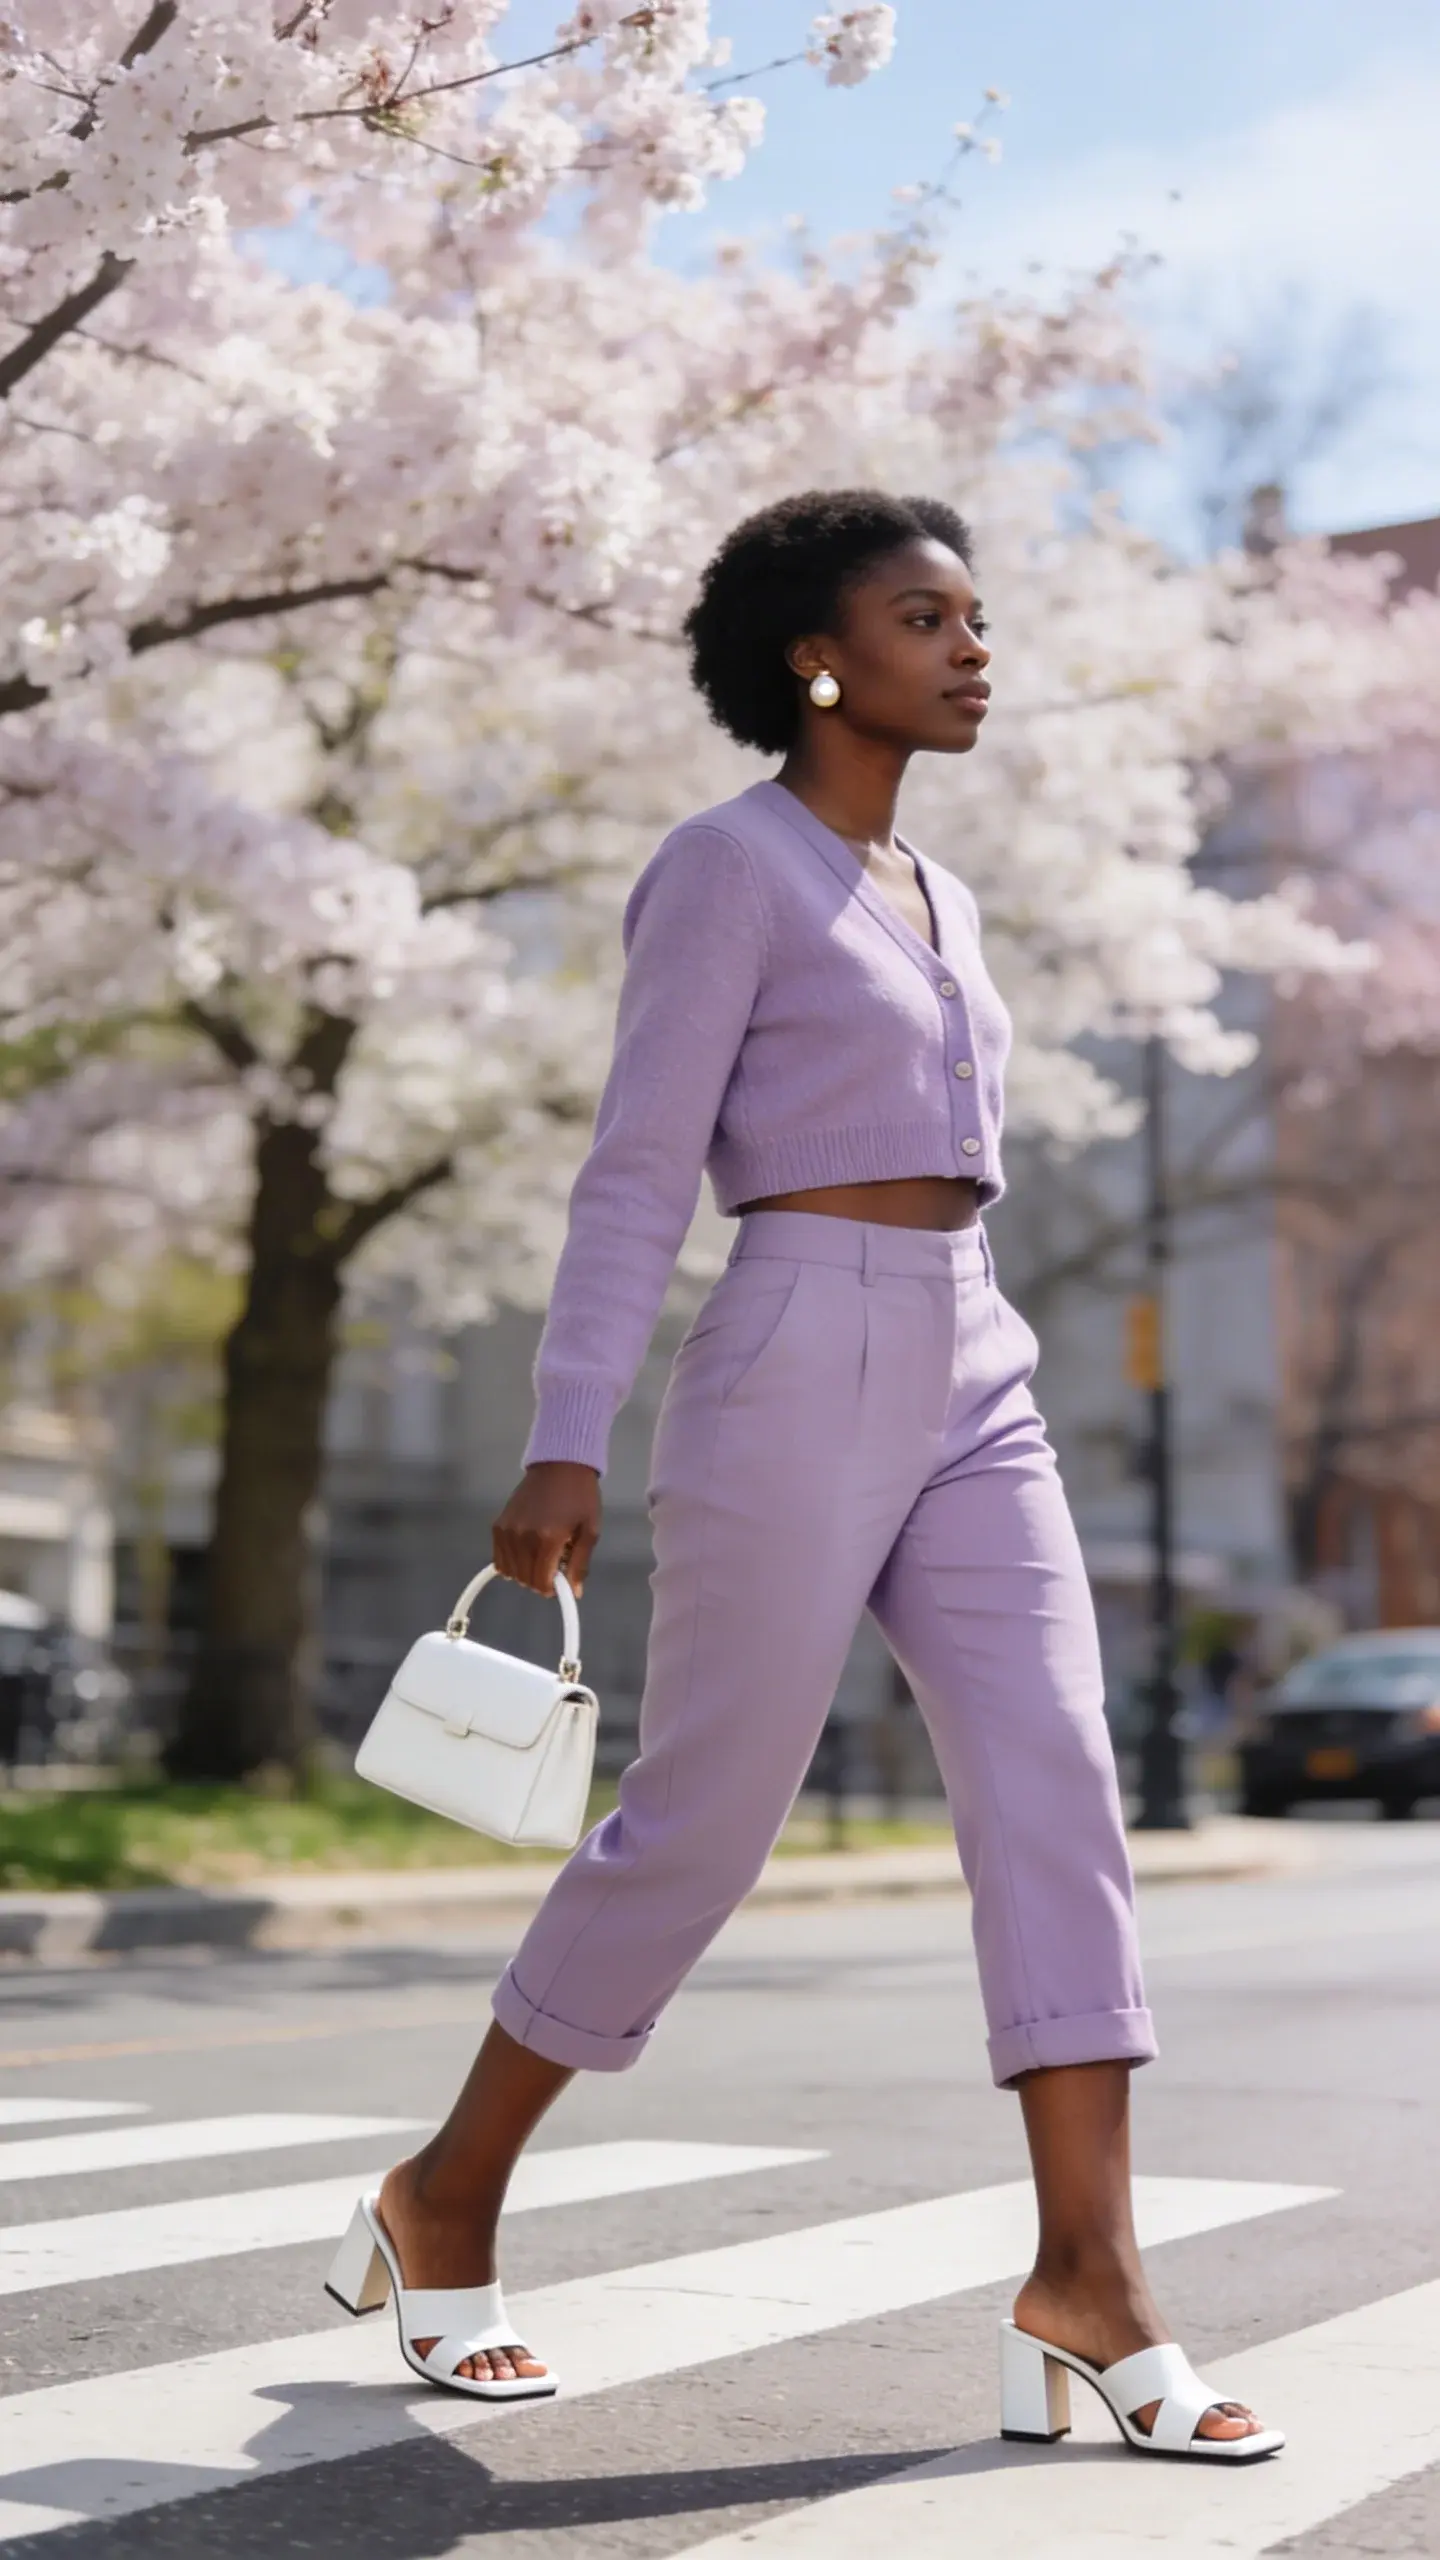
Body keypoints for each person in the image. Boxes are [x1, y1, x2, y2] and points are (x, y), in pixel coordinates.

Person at [328, 489, 1279, 2461]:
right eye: (925, 618)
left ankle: (1090, 2280)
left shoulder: (943, 893)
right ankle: (447, 2194)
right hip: (795, 1347)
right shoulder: (725, 869)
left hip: (976, 1349)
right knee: (702, 1823)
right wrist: (567, 1427)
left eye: (977, 615)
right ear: (816, 658)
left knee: (1060, 1782)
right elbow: (634, 1171)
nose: (972, 647)